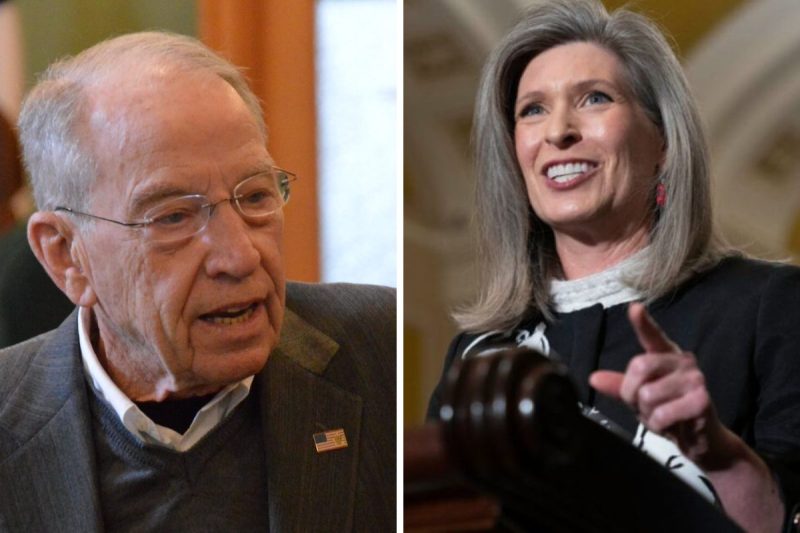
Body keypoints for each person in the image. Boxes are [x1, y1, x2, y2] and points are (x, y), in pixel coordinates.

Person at [426, 1, 800, 531]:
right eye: (532, 109)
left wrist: (717, 453)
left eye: (594, 99)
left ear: (664, 141)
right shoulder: (479, 352)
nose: (558, 131)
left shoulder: (772, 307)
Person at [0, 32, 395, 531]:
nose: (240, 256)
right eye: (173, 218)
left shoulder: (383, 352)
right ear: (66, 256)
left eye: (255, 197)